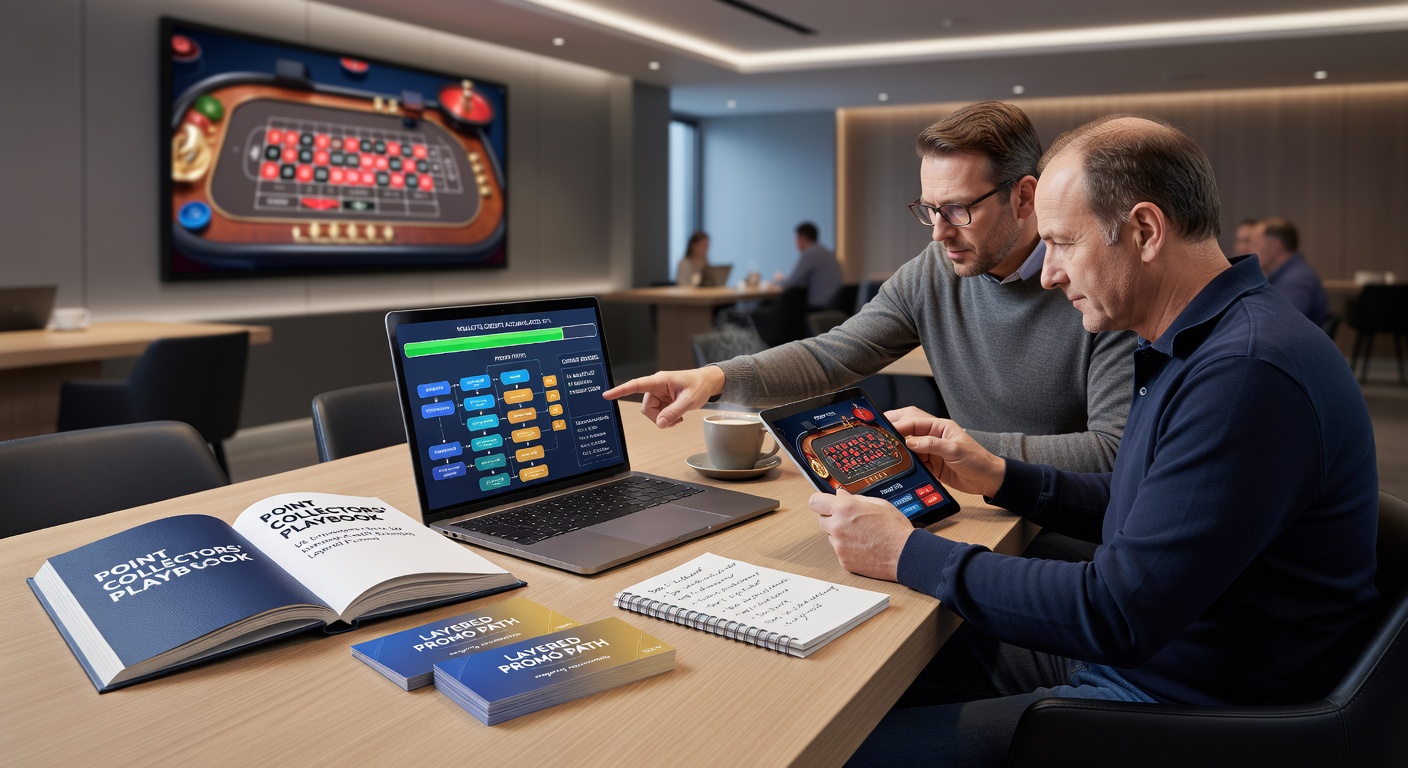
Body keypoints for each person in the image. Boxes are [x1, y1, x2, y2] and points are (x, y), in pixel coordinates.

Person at [819, 115, 1378, 767]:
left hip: (1187, 708)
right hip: (1166, 652)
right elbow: (1146, 506)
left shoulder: (1244, 376)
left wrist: (904, 551)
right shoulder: (1207, 339)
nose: (1049, 273)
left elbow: (1116, 613)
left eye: (1061, 243)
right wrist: (1001, 474)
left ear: (1144, 230)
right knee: (867, 673)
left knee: (842, 747)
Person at [605, 100, 1135, 485]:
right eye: (929, 208)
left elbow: (1115, 452)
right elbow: (829, 357)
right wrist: (714, 376)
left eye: (958, 210)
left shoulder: (1100, 283)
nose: (938, 231)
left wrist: (956, 442)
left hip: (1059, 521)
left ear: (1024, 197)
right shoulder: (935, 270)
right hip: (970, 498)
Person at [1256, 216, 1330, 326]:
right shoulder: (1291, 274)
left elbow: (1282, 325)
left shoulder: (1296, 281)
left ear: (1275, 246)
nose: (1250, 250)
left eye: (1256, 244)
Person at [776, 221, 843, 309]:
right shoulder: (824, 251)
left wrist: (775, 282)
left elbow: (792, 282)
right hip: (835, 303)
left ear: (802, 238)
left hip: (820, 306)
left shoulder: (810, 253)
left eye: (796, 239)